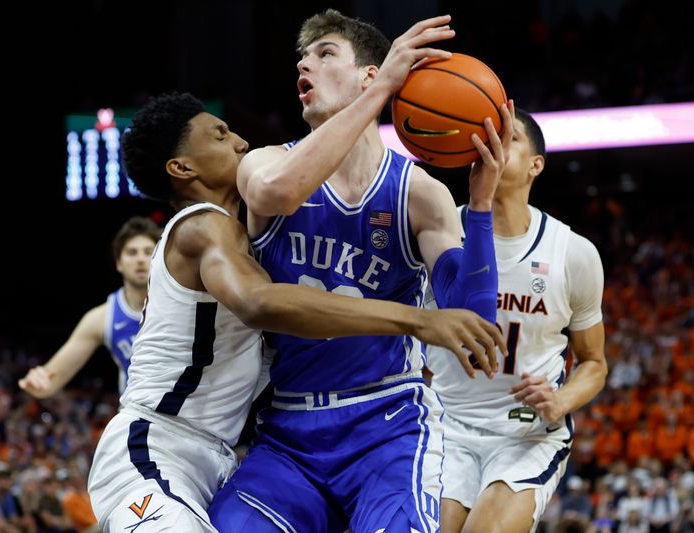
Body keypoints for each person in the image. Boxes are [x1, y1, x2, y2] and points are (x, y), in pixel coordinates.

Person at [87, 91, 504, 533]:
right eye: (221, 135)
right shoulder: (201, 227)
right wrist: (417, 319)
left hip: (213, 460)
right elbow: (260, 304)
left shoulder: (247, 237)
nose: (241, 143)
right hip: (155, 445)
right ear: (183, 167)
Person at [208, 9, 513, 532]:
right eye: (303, 57)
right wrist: (382, 96)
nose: (305, 63)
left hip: (388, 427)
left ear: (372, 74)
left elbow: (473, 322)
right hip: (287, 431)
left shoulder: (418, 193)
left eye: (326, 53)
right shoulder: (262, 163)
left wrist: (481, 205)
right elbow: (277, 193)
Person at [425, 108, 608, 533]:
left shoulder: (574, 253)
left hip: (525, 433)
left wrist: (561, 401)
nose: (493, 144)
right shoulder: (437, 232)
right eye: (486, 136)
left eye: (509, 139)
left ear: (535, 165)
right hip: (445, 425)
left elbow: (594, 363)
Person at [18, 216, 162, 398]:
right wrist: (38, 380)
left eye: (148, 252)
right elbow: (50, 380)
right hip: (137, 417)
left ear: (160, 259)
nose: (141, 259)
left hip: (188, 415)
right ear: (119, 263)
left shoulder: (184, 305)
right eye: (132, 252)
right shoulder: (102, 318)